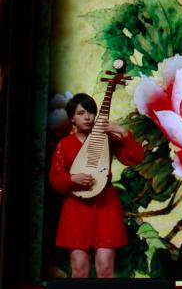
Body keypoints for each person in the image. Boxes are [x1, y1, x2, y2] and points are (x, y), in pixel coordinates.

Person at [49, 93, 144, 278]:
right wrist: (72, 179)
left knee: (105, 265)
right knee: (79, 267)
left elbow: (135, 157)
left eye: (91, 112)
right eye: (81, 113)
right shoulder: (65, 144)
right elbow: (55, 179)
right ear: (72, 119)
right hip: (76, 207)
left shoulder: (107, 139)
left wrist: (122, 131)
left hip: (105, 203)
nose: (87, 117)